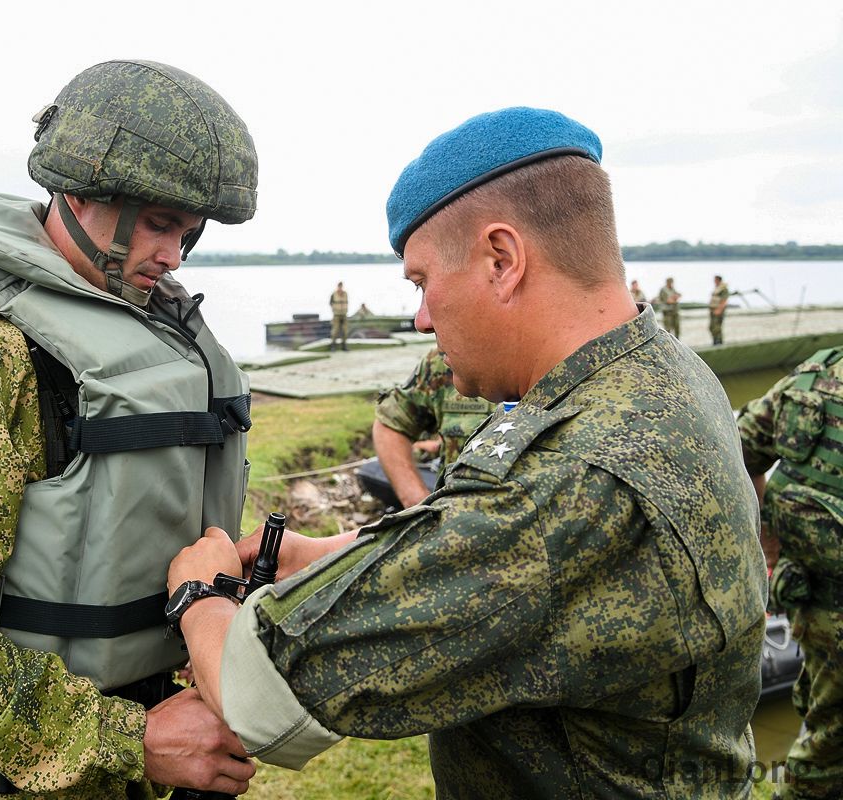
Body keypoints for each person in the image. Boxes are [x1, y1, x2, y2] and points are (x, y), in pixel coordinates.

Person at [168, 107, 767, 798]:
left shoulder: (577, 479)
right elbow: (485, 539)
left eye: (422, 282)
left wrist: (201, 596)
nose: (422, 317)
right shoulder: (658, 377)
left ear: (502, 260)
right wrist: (327, 553)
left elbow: (256, 695)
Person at [0, 60, 260, 798]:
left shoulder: (143, 325)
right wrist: (133, 738)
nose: (172, 256)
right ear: (81, 190)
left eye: (188, 235)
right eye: (160, 224)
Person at [737, 348, 843, 799]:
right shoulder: (816, 378)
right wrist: (765, 550)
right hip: (815, 610)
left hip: (815, 612)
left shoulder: (818, 375)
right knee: (823, 753)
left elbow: (734, 451)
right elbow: (737, 451)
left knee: (822, 747)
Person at [372, 348, 494, 507]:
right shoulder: (445, 360)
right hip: (455, 523)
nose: (423, 326)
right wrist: (419, 505)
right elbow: (391, 422)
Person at [710, 274, 730, 345]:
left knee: (717, 327)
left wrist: (719, 310)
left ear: (718, 280)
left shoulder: (723, 289)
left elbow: (724, 301)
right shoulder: (717, 288)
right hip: (713, 310)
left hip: (718, 311)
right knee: (712, 327)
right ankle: (715, 341)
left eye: (715, 280)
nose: (714, 281)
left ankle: (719, 342)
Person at [329, 281, 349, 350]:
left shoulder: (345, 293)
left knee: (345, 331)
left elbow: (347, 302)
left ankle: (344, 345)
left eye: (341, 286)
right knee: (335, 331)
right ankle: (333, 345)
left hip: (344, 314)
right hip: (336, 315)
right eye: (339, 286)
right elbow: (331, 303)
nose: (340, 287)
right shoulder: (333, 294)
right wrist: (334, 310)